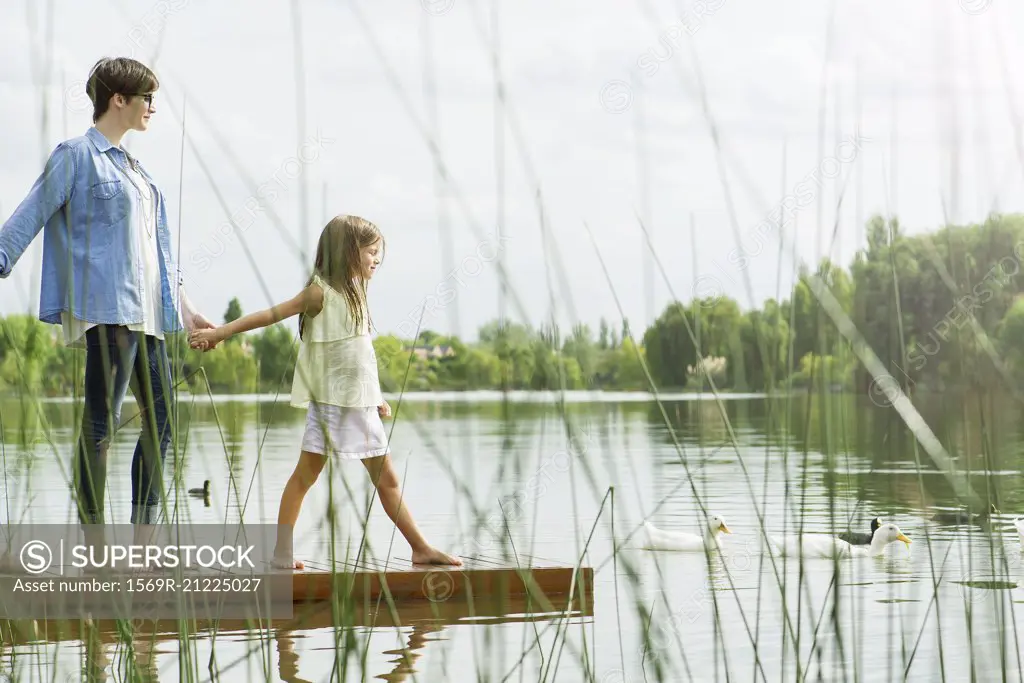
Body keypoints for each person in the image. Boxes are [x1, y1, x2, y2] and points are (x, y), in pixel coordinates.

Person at [0, 57, 217, 531]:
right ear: (118, 100)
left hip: (150, 316)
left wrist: (188, 308)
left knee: (164, 425)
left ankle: (141, 546)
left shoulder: (141, 173)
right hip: (108, 310)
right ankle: (95, 550)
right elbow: (31, 212)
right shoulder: (75, 155)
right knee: (100, 426)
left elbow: (154, 254)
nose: (153, 108)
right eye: (147, 98)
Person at [189, 215, 461, 568]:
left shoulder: (356, 291)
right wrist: (221, 333)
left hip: (358, 402)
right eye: (371, 252)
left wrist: (375, 395)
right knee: (308, 476)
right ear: (348, 252)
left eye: (378, 253)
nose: (376, 260)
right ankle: (282, 554)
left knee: (382, 478)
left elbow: (360, 352)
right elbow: (270, 315)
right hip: (333, 403)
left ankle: (420, 548)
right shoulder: (320, 292)